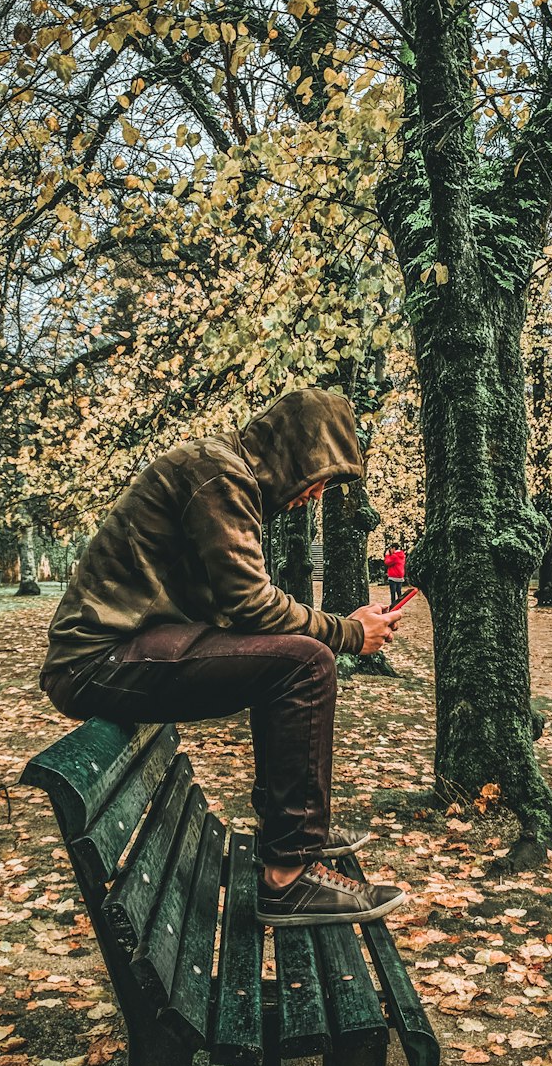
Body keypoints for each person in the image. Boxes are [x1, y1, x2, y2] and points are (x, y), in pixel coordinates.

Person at [39, 388, 406, 928]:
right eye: (319, 475)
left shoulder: (222, 474)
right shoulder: (218, 475)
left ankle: (294, 831)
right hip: (96, 660)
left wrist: (339, 627)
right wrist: (348, 632)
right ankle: (287, 876)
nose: (318, 492)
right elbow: (252, 605)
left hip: (122, 651)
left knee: (291, 658)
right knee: (305, 663)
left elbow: (239, 615)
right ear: (294, 454)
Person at [384, 542, 407, 607]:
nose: (390, 550)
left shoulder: (394, 556)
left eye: (391, 549)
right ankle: (400, 605)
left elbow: (387, 562)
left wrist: (387, 555)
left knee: (393, 593)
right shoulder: (402, 555)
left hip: (393, 576)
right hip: (400, 576)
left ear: (394, 548)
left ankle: (393, 606)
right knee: (399, 592)